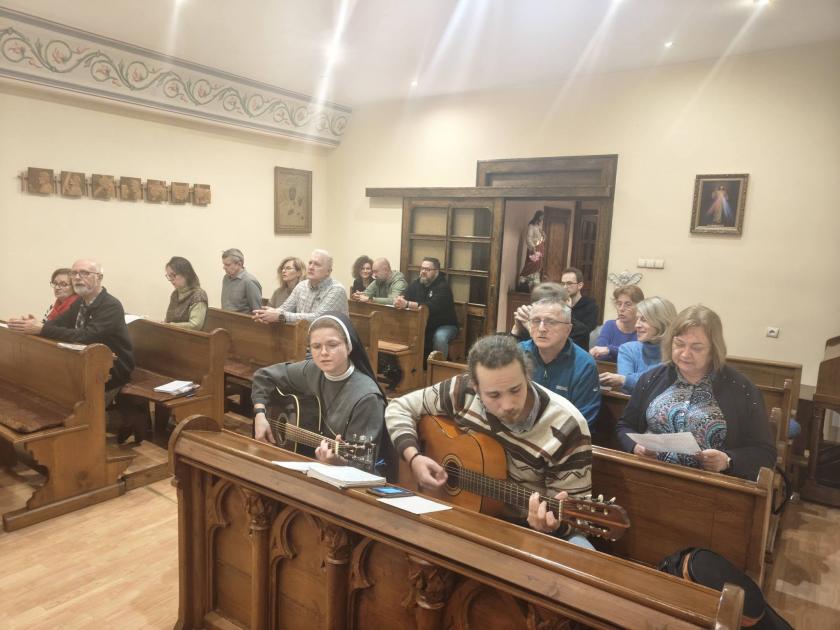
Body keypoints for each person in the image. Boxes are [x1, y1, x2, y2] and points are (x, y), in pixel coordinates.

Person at [385, 334, 593, 547]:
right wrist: (414, 457)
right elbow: (399, 407)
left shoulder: (566, 426)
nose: (508, 405)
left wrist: (551, 525)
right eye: (494, 395)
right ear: (475, 388)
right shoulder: (461, 391)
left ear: (527, 375)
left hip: (521, 529)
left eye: (515, 390)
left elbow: (576, 519)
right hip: (459, 513)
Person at [615, 305, 776, 481]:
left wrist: (727, 460)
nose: (685, 354)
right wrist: (635, 447)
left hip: (713, 486)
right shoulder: (651, 379)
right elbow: (625, 426)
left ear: (713, 350)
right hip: (650, 477)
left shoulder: (741, 389)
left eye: (697, 348)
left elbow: (765, 452)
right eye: (679, 344)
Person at [8, 259, 140, 442]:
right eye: (74, 273)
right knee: (50, 389)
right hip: (82, 363)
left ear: (99, 278)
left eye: (84, 273)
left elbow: (87, 336)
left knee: (77, 408)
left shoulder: (110, 305)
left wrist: (42, 329)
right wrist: (35, 325)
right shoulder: (81, 303)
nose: (77, 277)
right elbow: (57, 324)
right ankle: (59, 437)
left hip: (110, 368)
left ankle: (120, 422)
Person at [251, 313, 386, 468]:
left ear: (349, 347)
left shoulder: (367, 397)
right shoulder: (312, 370)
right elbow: (263, 376)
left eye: (332, 345)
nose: (323, 353)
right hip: (302, 460)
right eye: (316, 346)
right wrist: (260, 414)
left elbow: (362, 463)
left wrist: (338, 463)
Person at [518, 298, 601, 427]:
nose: (541, 328)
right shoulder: (516, 354)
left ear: (568, 330)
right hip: (519, 429)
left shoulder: (584, 365)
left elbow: (583, 419)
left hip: (562, 435)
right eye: (536, 321)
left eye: (551, 322)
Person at [600, 297, 677, 393]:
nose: (637, 325)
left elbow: (666, 386)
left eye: (643, 320)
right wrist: (626, 381)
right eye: (637, 319)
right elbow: (626, 389)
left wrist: (626, 380)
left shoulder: (677, 351)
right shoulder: (627, 349)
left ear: (661, 322)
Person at [253, 249, 348, 323]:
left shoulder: (336, 289)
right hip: (304, 336)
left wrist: (280, 316)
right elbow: (284, 308)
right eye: (310, 263)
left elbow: (318, 318)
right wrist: (265, 314)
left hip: (331, 340)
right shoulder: (302, 286)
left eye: (317, 264)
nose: (311, 267)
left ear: (328, 271)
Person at [394, 257, 458, 360]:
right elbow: (405, 297)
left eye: (427, 269)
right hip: (422, 323)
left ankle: (438, 366)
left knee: (440, 338)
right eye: (422, 268)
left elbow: (430, 307)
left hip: (444, 325)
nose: (423, 272)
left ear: (436, 272)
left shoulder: (443, 287)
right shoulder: (416, 283)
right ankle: (409, 364)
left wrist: (407, 304)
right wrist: (399, 300)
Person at [511, 282, 590, 351]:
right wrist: (516, 330)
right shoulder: (528, 321)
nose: (541, 327)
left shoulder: (580, 331)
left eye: (550, 320)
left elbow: (555, 357)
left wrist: (531, 330)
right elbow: (509, 357)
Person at [589, 285, 645, 361]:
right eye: (619, 304)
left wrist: (610, 350)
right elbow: (599, 354)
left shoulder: (644, 328)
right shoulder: (610, 325)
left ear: (639, 306)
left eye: (628, 304)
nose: (621, 309)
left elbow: (639, 355)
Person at [164, 256, 208, 330]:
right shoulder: (175, 294)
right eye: (169, 276)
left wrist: (170, 325)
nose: (171, 280)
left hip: (189, 336)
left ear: (186, 274)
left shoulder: (198, 295)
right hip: (172, 333)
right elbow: (169, 319)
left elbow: (195, 325)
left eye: (173, 275)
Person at [560, 267, 599, 348]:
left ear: (580, 285)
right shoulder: (558, 304)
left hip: (578, 347)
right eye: (563, 284)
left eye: (569, 283)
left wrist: (568, 310)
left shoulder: (591, 306)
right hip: (558, 345)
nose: (565, 287)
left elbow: (585, 332)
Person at [220, 248, 263, 314]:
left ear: (239, 264)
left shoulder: (249, 281)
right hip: (225, 318)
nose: (224, 267)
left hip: (241, 320)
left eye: (227, 265)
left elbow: (257, 310)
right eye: (224, 264)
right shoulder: (226, 278)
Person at [516, 211, 545, 291]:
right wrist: (533, 247)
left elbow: (540, 236)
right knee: (532, 263)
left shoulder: (538, 226)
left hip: (540, 247)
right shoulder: (531, 226)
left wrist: (543, 235)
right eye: (541, 217)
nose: (542, 219)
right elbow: (528, 238)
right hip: (534, 248)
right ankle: (525, 278)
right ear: (538, 216)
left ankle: (535, 279)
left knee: (539, 264)